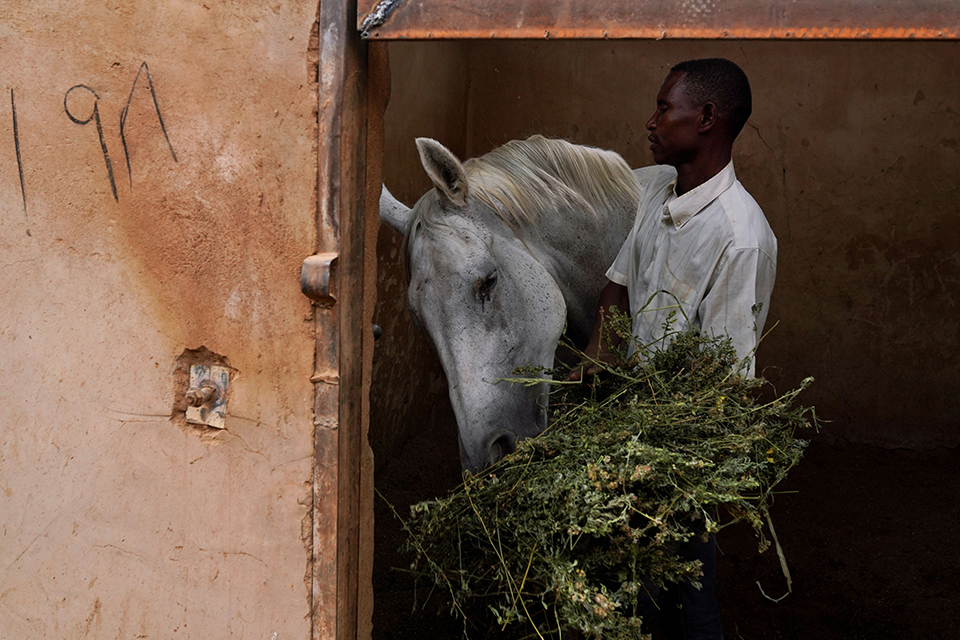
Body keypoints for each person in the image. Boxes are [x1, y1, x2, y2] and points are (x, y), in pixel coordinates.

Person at [574, 58, 778, 639]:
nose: (652, 121)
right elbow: (617, 283)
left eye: (665, 108)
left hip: (678, 444)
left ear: (707, 117)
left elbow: (721, 383)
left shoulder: (739, 239)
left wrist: (657, 454)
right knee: (628, 584)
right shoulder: (656, 188)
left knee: (688, 587)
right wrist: (596, 357)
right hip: (624, 423)